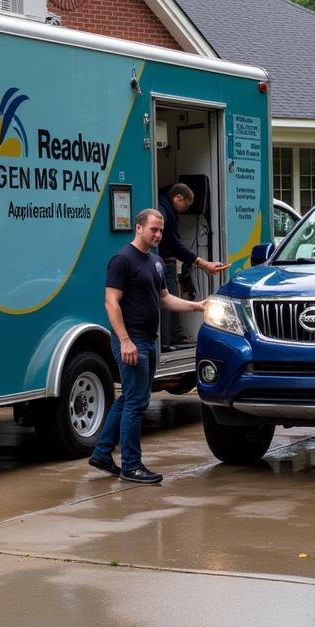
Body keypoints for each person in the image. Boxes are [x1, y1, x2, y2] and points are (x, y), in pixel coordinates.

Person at [90, 208, 207, 485]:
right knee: (136, 404)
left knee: (129, 399)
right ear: (139, 228)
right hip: (131, 342)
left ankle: (101, 453)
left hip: (148, 341)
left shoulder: (155, 262)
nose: (158, 234)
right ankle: (131, 466)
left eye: (161, 231)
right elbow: (111, 303)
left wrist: (197, 306)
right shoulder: (122, 260)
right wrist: (124, 340)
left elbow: (164, 299)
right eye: (153, 229)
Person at [157, 182, 228, 350]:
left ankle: (173, 337)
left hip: (166, 261)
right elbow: (174, 244)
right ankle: (166, 342)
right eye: (186, 205)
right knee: (168, 302)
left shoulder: (165, 207)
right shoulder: (164, 211)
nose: (186, 210)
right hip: (164, 262)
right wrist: (202, 263)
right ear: (178, 197)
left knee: (172, 299)